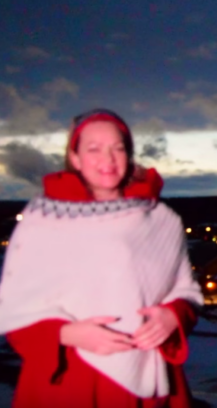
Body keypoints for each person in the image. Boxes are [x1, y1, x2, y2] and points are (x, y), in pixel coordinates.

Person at [0, 108, 204, 407]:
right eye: (94, 149)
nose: (107, 159)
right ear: (76, 158)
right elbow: (15, 309)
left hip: (146, 374)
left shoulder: (161, 219)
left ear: (129, 156)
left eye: (117, 149)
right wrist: (69, 334)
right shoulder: (43, 221)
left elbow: (186, 292)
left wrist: (172, 316)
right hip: (72, 376)